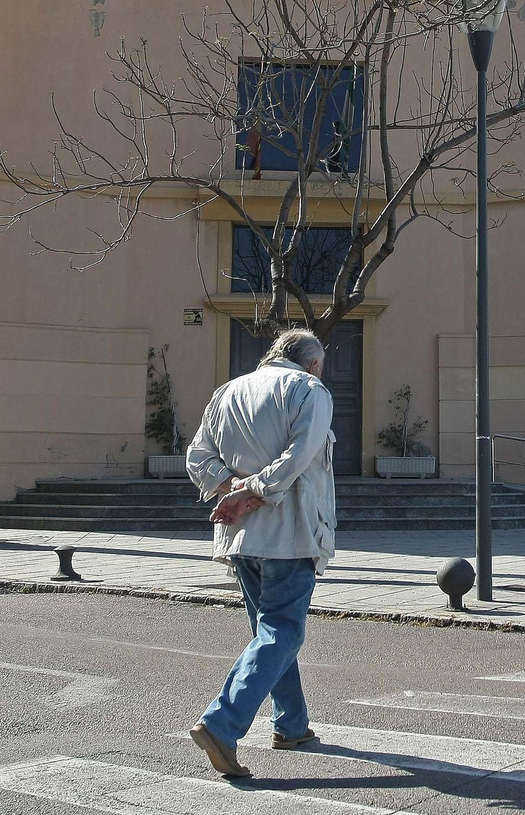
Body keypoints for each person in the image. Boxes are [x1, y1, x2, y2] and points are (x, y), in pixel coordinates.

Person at [184, 327, 336, 778]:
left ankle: (291, 724)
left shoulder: (227, 392)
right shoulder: (310, 389)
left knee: (268, 635)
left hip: (240, 537)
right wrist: (251, 490)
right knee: (281, 634)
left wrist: (230, 489)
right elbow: (300, 456)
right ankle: (221, 723)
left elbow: (197, 456)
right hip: (290, 533)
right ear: (312, 363)